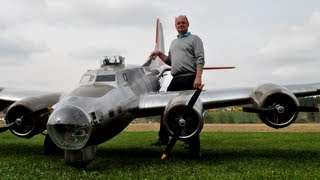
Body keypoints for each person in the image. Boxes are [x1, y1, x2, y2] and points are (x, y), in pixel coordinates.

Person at [149, 15, 205, 158]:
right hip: (176, 79)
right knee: (165, 107)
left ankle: (193, 149)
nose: (180, 25)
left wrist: (198, 77)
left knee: (190, 112)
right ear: (175, 26)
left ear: (188, 24)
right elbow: (170, 61)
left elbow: (200, 59)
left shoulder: (195, 39)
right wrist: (159, 54)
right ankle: (163, 138)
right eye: (178, 23)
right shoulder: (173, 42)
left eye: (183, 23)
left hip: (190, 78)